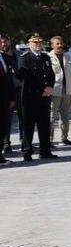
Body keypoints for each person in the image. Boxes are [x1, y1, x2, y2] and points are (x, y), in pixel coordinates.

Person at [17, 34, 57, 161]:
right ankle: (27, 152)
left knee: (44, 124)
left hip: (44, 97)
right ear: (29, 44)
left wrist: (50, 87)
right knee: (28, 126)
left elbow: (51, 74)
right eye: (34, 43)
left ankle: (45, 151)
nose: (37, 45)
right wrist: (41, 90)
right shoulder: (24, 58)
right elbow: (27, 79)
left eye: (39, 43)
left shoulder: (45, 57)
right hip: (30, 97)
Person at [48, 36, 71, 145]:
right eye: (57, 44)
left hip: (67, 89)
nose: (60, 45)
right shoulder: (48, 57)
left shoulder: (68, 56)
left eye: (61, 43)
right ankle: (49, 140)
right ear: (52, 45)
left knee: (65, 115)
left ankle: (64, 138)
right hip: (54, 90)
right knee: (52, 116)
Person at [1, 34, 18, 154]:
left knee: (7, 121)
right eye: (1, 42)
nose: (3, 44)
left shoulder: (16, 55)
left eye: (5, 42)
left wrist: (12, 97)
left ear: (9, 42)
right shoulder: (2, 57)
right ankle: (5, 144)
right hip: (3, 96)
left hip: (15, 93)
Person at [0, 34, 14, 165]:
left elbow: (8, 80)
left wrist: (11, 98)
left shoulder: (4, 58)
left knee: (3, 128)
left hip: (4, 100)